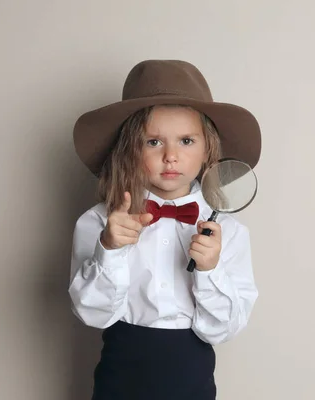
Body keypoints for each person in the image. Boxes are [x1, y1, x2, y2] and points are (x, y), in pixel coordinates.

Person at [68, 60, 261, 400]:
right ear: (129, 150)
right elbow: (92, 314)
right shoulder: (99, 222)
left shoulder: (228, 231)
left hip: (192, 377)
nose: (171, 156)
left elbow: (223, 328)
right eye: (154, 142)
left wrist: (210, 270)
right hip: (120, 376)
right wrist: (109, 250)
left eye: (186, 140)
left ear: (208, 150)